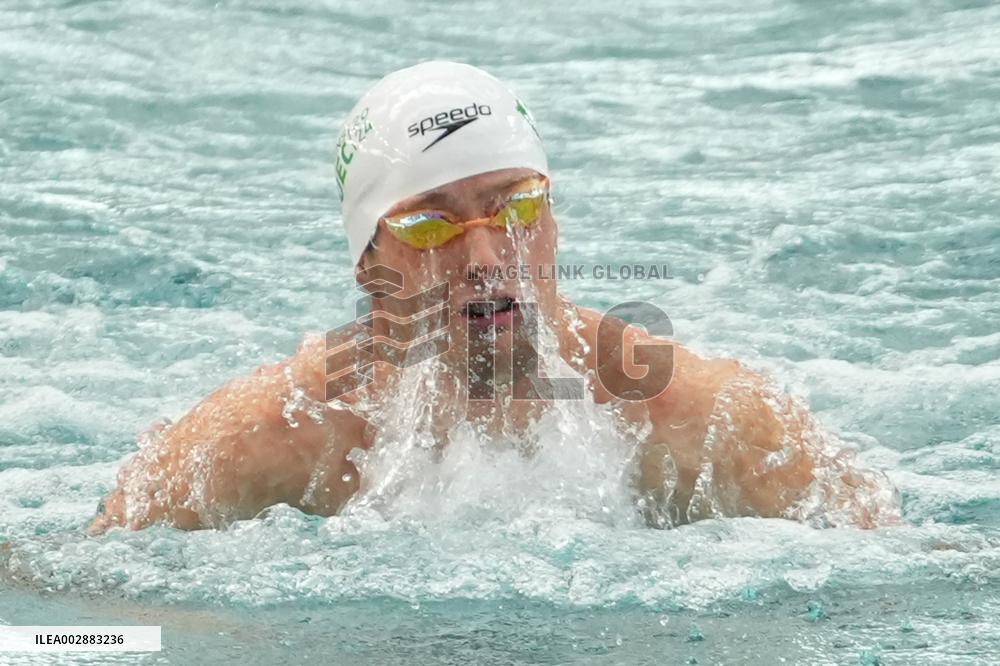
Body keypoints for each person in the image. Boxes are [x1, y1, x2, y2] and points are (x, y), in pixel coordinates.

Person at [88, 62, 900, 534]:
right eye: (433, 225)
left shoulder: (701, 415)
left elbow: (903, 587)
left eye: (515, 208)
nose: (487, 256)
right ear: (370, 260)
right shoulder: (265, 437)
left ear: (554, 219)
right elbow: (72, 625)